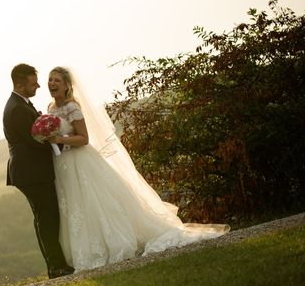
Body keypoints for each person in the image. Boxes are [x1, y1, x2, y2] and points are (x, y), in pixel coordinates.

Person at [45, 66, 230, 271]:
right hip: (63, 166)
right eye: (50, 80)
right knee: (74, 206)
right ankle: (82, 251)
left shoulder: (73, 107)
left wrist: (60, 139)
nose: (52, 83)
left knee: (94, 202)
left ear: (67, 85)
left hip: (80, 161)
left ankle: (114, 242)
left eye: (56, 81)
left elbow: (84, 138)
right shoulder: (51, 107)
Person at [3, 63, 75, 279]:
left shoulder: (20, 104)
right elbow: (36, 142)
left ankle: (55, 266)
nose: (38, 87)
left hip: (31, 172)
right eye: (33, 84)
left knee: (44, 218)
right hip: (31, 172)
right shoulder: (16, 108)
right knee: (47, 218)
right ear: (20, 85)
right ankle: (56, 267)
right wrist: (65, 143)